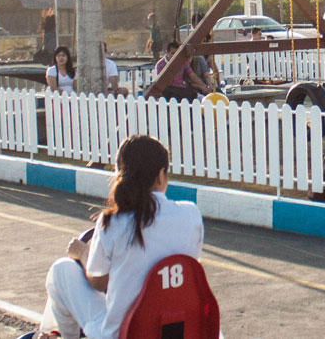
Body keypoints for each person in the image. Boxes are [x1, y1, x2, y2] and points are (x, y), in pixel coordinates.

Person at [36, 136, 204, 339]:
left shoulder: (111, 222)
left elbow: (98, 282)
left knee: (61, 270)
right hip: (180, 328)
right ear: (161, 175)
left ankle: (55, 335)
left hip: (125, 334)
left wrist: (82, 253)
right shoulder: (191, 215)